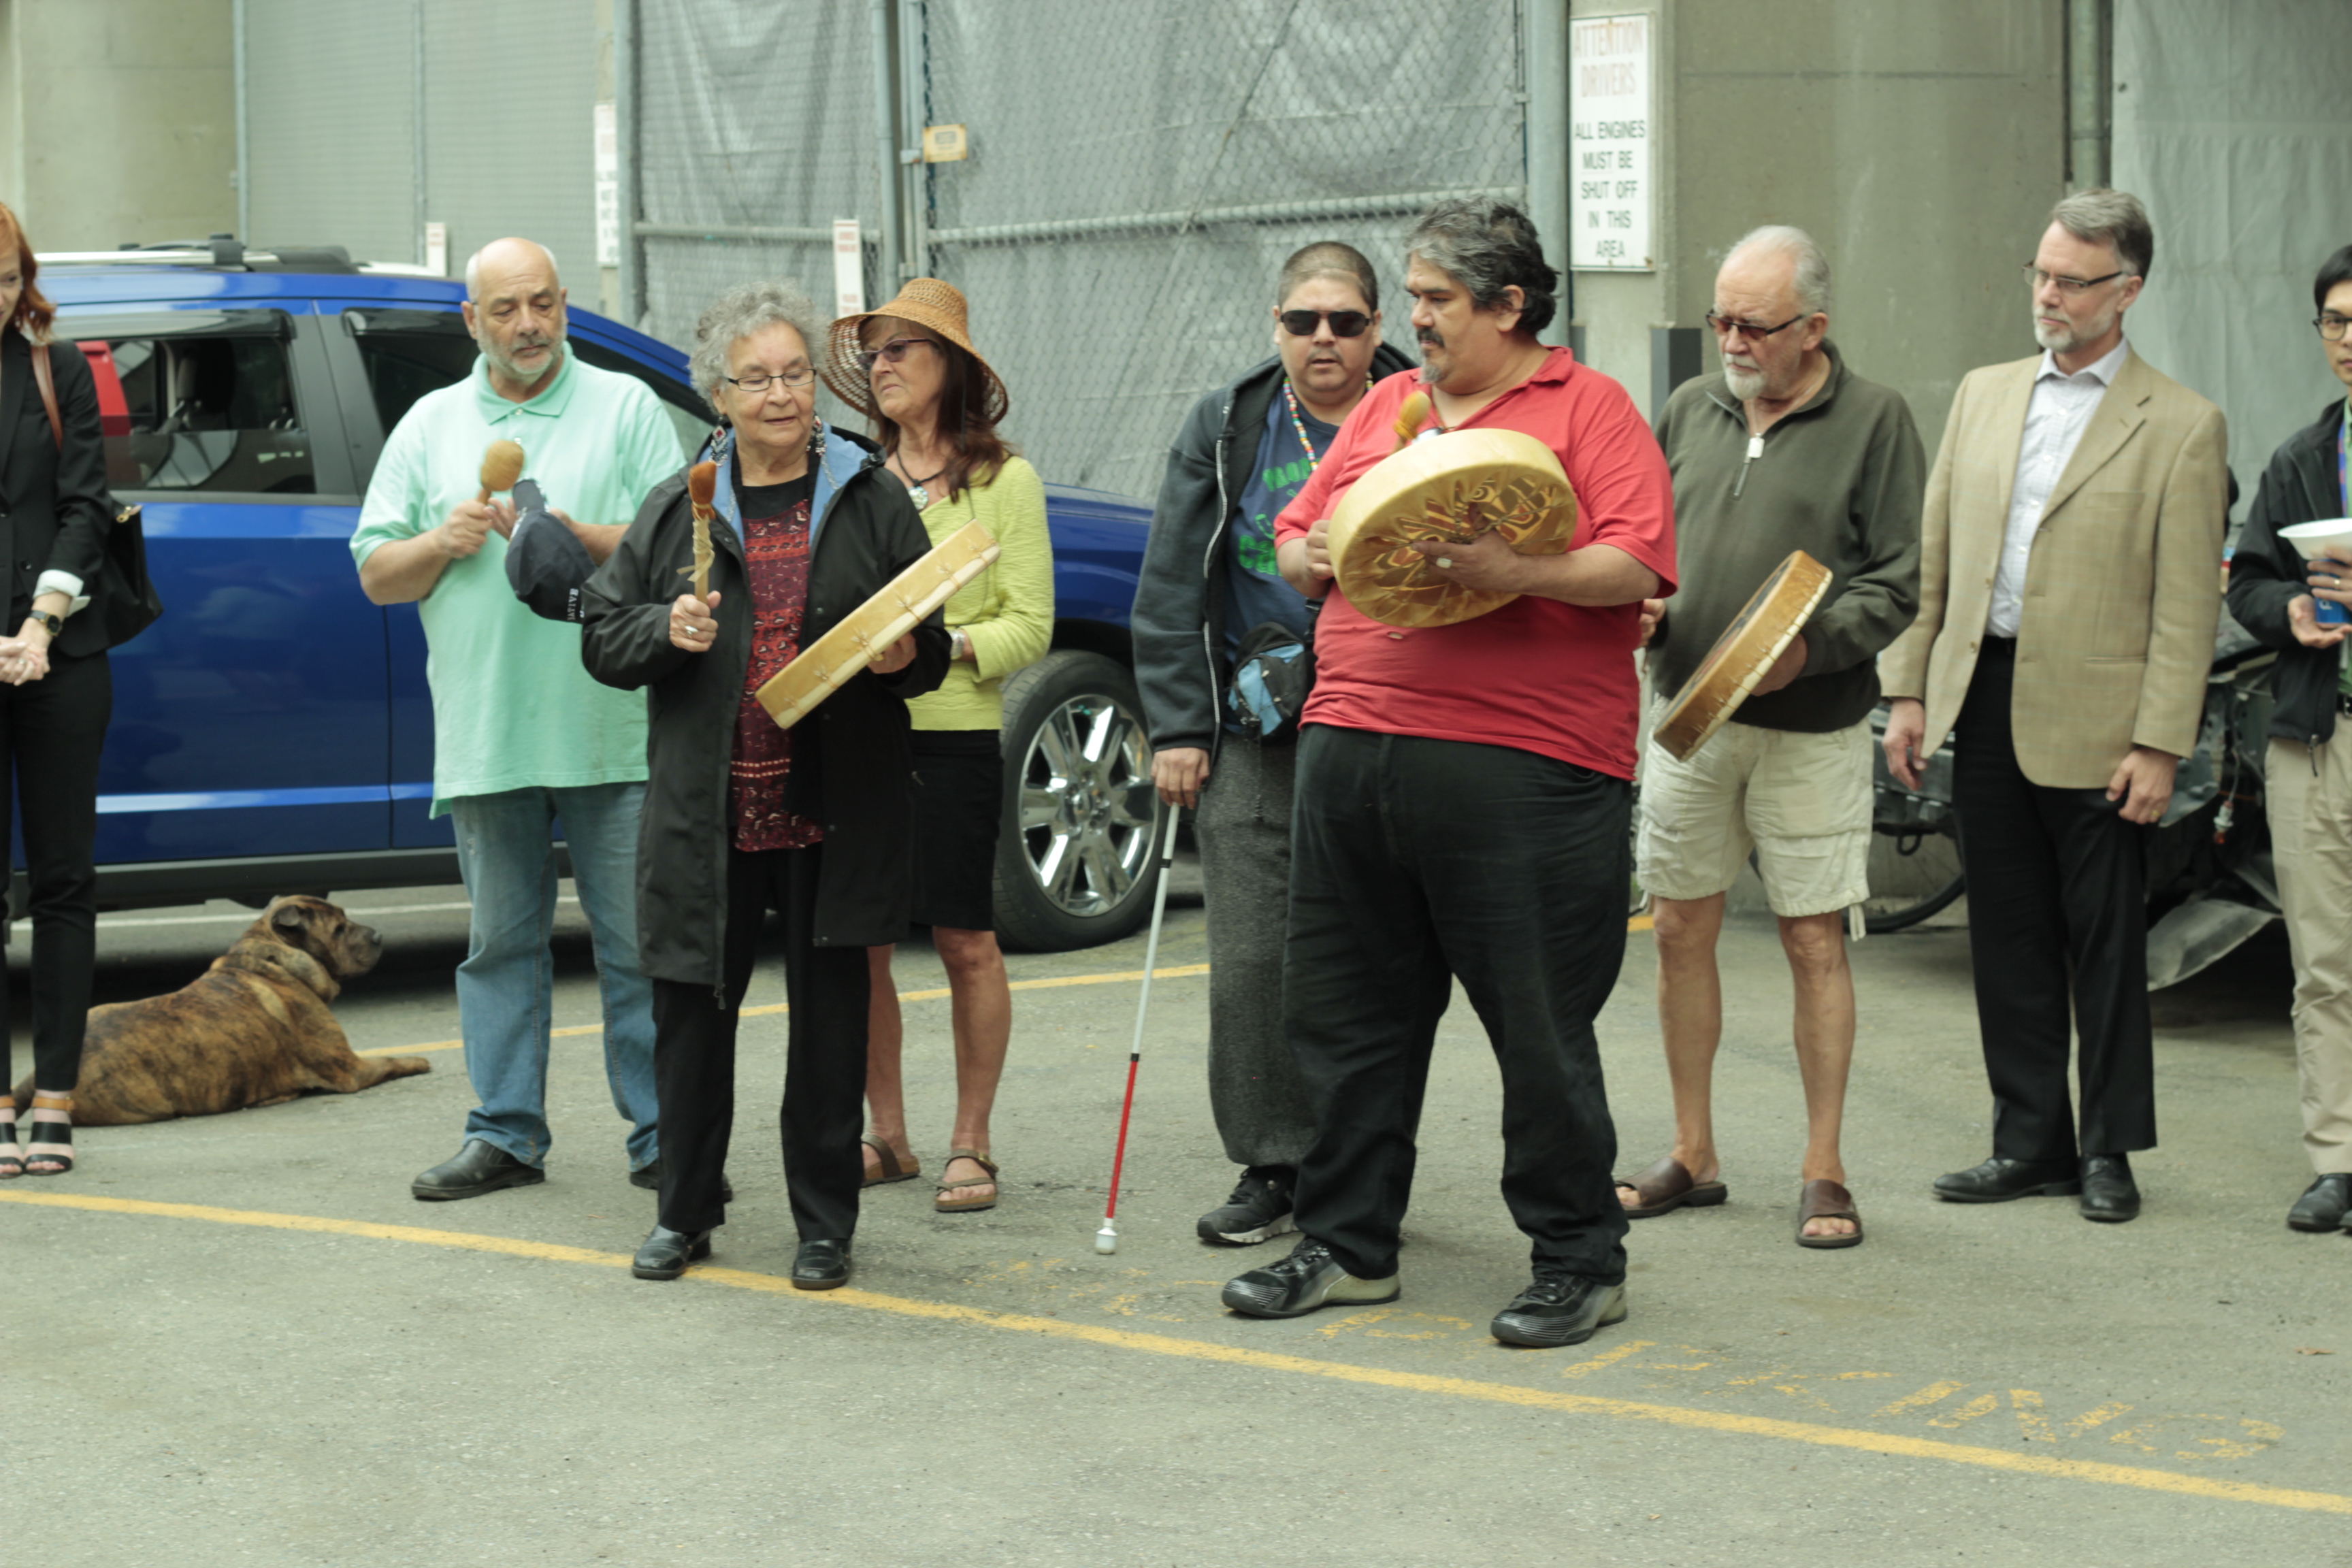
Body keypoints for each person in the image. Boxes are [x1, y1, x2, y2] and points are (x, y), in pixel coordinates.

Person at [1219, 198, 1676, 1348]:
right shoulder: (1385, 404)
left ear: (1510, 305)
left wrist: (1516, 567)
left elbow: (1634, 563)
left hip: (1523, 765)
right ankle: (1349, 1243)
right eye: (1412, 299)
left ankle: (1579, 1258)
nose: (1410, 319)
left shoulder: (1591, 407)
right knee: (1346, 1019)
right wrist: (1306, 553)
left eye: (1434, 300)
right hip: (1351, 747)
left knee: (1536, 1027)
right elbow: (1294, 533)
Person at [581, 280, 948, 1289]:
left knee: (830, 1023)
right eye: (758, 379)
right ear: (720, 397)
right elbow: (606, 637)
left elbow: (931, 640)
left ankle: (824, 1224)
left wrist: (901, 656)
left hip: (832, 804)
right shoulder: (679, 506)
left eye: (795, 374)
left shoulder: (868, 496)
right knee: (692, 1019)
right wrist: (666, 629)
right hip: (710, 814)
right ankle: (684, 1212)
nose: (782, 395)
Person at [1881, 189, 2226, 1224]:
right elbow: (1933, 558)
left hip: (2104, 718)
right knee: (2009, 934)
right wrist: (1907, 690)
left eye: (2072, 281)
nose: (2048, 295)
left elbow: (2185, 603)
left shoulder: (2182, 424)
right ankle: (2028, 1140)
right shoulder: (1984, 395)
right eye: (2040, 273)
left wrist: (2161, 741)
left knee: (2107, 940)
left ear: (2128, 290)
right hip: (1981, 692)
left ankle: (2110, 1148)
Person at [353, 238, 680, 1202]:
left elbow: (680, 547)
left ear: (565, 305)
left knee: (635, 946)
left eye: (542, 303)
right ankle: (504, 1133)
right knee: (500, 947)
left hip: (612, 723)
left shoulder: (624, 406)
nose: (528, 324)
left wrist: (574, 533)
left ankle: (664, 1133)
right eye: (505, 309)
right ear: (472, 321)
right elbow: (376, 574)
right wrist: (441, 542)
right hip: (488, 733)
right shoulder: (430, 423)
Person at [1627, 226, 1923, 1249]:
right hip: (1689, 721)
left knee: (1811, 941)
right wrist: (1647, 605)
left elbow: (1895, 583)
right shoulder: (1687, 408)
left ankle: (1823, 1168)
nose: (1732, 339)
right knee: (1677, 931)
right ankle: (1693, 1152)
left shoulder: (1876, 419)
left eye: (1754, 323)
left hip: (1812, 728)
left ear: (1815, 329)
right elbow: (1651, 546)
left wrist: (1815, 651)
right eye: (1721, 317)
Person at [1132, 240, 1414, 1245]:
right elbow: (1170, 581)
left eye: (1346, 321)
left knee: (1376, 963)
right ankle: (1273, 1161)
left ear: (1379, 329)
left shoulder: (1423, 410)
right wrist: (1177, 723)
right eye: (1305, 321)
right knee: (1253, 961)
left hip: (1390, 721)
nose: (1324, 339)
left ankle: (1363, 1164)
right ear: (1277, 325)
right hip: (1257, 725)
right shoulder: (1228, 423)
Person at [814, 279, 1051, 1215]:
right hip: (862, 741)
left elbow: (1030, 627)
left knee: (964, 939)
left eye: (903, 348)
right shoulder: (851, 481)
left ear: (949, 365)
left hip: (954, 736)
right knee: (864, 946)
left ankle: (972, 1143)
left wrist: (941, 649)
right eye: (874, 352)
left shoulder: (1005, 484)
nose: (882, 366)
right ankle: (891, 1137)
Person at [2222, 242, 2352, 1234]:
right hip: (2317, 735)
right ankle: (2339, 1157)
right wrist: (2289, 615)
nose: (2349, 342)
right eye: (2336, 322)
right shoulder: (2305, 457)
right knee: (2324, 962)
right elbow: (2252, 576)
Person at [0, 200, 114, 1179]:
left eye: (5, 280)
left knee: (65, 879)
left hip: (60, 652)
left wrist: (41, 623)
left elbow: (84, 504)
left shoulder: (56, 366)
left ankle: (56, 1096)